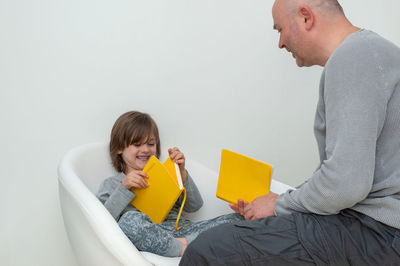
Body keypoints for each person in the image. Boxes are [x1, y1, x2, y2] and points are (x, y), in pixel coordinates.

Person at [180, 0, 400, 265]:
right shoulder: (375, 53)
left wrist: (277, 205)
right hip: (376, 230)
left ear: (306, 17)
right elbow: (344, 176)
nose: (280, 43)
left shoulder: (354, 56)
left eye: (280, 29)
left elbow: (345, 185)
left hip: (376, 233)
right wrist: (279, 203)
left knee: (208, 250)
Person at [96, 111, 243, 257]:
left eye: (151, 144)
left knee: (241, 219)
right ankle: (184, 249)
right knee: (129, 221)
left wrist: (182, 173)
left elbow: (195, 206)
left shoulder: (166, 174)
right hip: (153, 238)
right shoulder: (113, 184)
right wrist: (124, 187)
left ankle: (192, 244)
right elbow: (101, 223)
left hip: (185, 232)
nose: (146, 149)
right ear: (120, 148)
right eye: (137, 144)